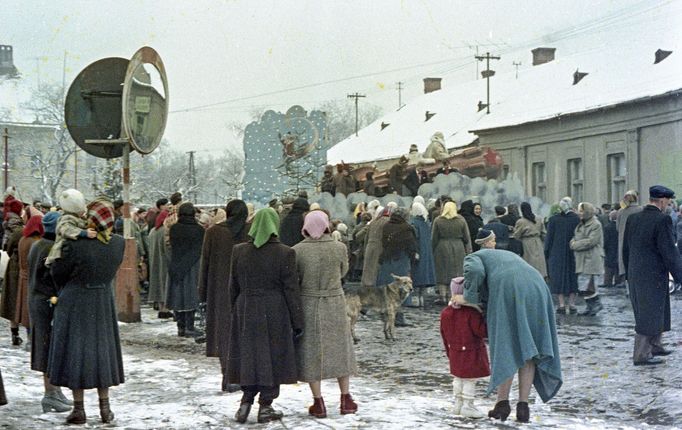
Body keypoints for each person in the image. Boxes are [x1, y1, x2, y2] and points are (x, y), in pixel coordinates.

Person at [455, 229, 562, 423]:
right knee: (530, 349)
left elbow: (475, 272)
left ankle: (502, 404)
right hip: (538, 287)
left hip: (510, 289)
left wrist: (469, 298)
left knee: (507, 346)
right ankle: (523, 407)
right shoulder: (507, 255)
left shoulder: (473, 256)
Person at [47, 198, 125, 425]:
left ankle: (79, 409)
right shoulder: (118, 243)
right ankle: (105, 407)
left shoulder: (74, 244)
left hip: (75, 301)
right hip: (103, 302)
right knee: (102, 353)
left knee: (75, 353)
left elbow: (58, 274)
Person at [226, 208, 303, 424]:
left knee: (249, 353)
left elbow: (233, 285)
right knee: (272, 354)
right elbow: (291, 290)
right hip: (274, 309)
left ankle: (245, 402)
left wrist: (236, 309)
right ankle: (266, 405)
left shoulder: (239, 251)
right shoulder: (285, 253)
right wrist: (298, 321)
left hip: (246, 306)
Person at [292, 211, 358, 418]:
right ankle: (346, 398)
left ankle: (318, 402)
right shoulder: (339, 247)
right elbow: (343, 271)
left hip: (309, 301)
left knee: (311, 350)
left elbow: (296, 277)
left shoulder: (297, 250)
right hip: (334, 301)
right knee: (340, 348)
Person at [623, 185, 682, 366]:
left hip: (636, 273)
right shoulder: (662, 220)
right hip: (654, 274)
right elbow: (668, 252)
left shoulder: (633, 218)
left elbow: (626, 248)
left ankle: (656, 344)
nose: (668, 205)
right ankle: (641, 354)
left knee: (656, 309)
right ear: (662, 201)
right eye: (668, 201)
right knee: (650, 313)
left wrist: (627, 272)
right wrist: (679, 275)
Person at [198, 199, 249, 392]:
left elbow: (206, 263)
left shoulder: (214, 232)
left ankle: (227, 375)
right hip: (245, 288)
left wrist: (202, 292)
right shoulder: (249, 231)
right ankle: (242, 374)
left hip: (219, 289)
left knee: (224, 331)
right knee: (243, 331)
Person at [27, 212, 73, 412]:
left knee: (46, 345)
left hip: (38, 300)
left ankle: (55, 391)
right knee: (48, 347)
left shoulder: (37, 245)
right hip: (47, 302)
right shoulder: (50, 248)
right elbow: (53, 277)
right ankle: (50, 394)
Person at [440, 276, 489, 418]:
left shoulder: (446, 313)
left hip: (454, 351)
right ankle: (468, 405)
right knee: (469, 379)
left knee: (457, 378)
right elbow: (482, 332)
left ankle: (458, 403)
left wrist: (449, 351)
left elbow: (444, 334)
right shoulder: (472, 313)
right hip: (472, 351)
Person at [167, 202, 204, 338]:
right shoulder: (199, 230)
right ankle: (190, 326)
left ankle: (180, 327)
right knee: (191, 295)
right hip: (193, 265)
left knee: (178, 296)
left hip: (176, 264)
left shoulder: (174, 228)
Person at [377, 207, 418, 326]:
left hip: (387, 259)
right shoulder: (407, 228)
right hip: (401, 260)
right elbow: (411, 245)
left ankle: (386, 315)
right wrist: (414, 256)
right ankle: (399, 317)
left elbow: (384, 242)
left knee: (387, 288)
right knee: (401, 290)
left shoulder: (386, 226)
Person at [545, 197, 580, 314]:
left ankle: (561, 304)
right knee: (573, 277)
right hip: (573, 252)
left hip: (557, 252)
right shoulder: (576, 218)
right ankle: (572, 303)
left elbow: (549, 238)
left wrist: (546, 252)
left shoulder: (553, 220)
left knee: (558, 277)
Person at [432, 202, 472, 304]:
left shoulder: (438, 220)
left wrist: (432, 250)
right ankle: (452, 295)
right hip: (458, 247)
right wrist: (468, 251)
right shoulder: (461, 220)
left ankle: (442, 296)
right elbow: (466, 237)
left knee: (442, 272)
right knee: (456, 272)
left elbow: (434, 238)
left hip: (442, 247)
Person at [570, 202, 605, 316]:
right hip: (582, 258)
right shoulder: (580, 224)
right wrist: (574, 243)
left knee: (590, 283)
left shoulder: (595, 224)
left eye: (581, 211)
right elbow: (574, 239)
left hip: (591, 258)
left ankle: (595, 305)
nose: (579, 213)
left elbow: (591, 241)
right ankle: (589, 306)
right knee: (583, 284)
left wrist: (576, 244)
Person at [0, 193, 25, 345]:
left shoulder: (8, 221)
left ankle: (14, 333)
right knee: (17, 300)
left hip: (11, 264)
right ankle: (18, 334)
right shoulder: (18, 226)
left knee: (12, 300)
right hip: (17, 266)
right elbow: (11, 244)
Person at [14, 212, 44, 333]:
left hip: (23, 278)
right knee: (30, 311)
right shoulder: (35, 242)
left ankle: (28, 335)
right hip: (32, 279)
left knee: (25, 310)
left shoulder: (23, 239)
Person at [410, 202, 436, 307]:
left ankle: (416, 298)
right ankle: (422, 298)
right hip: (426, 253)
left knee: (416, 275)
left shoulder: (414, 223)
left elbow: (414, 239)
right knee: (424, 276)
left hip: (418, 252)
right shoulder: (426, 223)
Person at [147, 210, 172, 318]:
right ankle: (165, 309)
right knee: (164, 284)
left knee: (157, 284)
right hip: (164, 261)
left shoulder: (153, 231)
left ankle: (161, 307)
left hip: (154, 261)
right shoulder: (165, 231)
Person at [513, 202, 547, 277]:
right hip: (538, 242)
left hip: (527, 244)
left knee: (529, 263)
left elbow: (516, 235)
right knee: (539, 264)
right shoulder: (538, 219)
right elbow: (544, 233)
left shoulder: (521, 222)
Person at [361, 206, 391, 288]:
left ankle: (366, 287)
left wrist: (365, 249)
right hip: (380, 247)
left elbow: (366, 238)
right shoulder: (388, 221)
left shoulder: (373, 222)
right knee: (376, 269)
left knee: (368, 269)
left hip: (370, 246)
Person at [616, 190, 641, 280]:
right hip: (637, 239)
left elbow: (617, 227)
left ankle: (627, 286)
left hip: (623, 239)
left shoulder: (621, 211)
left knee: (624, 262)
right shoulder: (641, 209)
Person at [602, 210, 623, 287]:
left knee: (608, 268)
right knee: (618, 266)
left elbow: (605, 240)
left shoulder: (607, 227)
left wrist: (604, 248)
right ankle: (618, 281)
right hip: (619, 249)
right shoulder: (621, 226)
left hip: (610, 250)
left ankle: (608, 282)